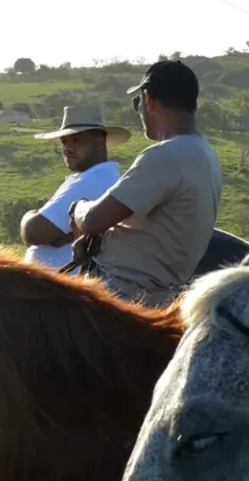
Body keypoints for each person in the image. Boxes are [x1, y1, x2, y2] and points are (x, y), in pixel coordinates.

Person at [68, 60, 222, 307]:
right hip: (163, 295)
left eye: (137, 102)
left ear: (149, 100)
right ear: (196, 107)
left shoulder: (167, 155)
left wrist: (78, 208)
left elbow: (93, 219)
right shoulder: (204, 154)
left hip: (122, 293)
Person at [21, 106, 128, 272]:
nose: (68, 148)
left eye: (77, 140)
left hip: (58, 287)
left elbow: (33, 232)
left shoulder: (91, 180)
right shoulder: (103, 177)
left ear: (100, 142)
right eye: (65, 142)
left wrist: (30, 215)